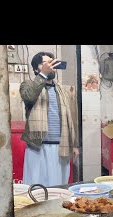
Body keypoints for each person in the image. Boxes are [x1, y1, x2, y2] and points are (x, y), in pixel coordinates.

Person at [20, 51, 79, 186]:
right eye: (45, 63)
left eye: (51, 63)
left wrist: (74, 145)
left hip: (61, 148)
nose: (49, 66)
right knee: (36, 188)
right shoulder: (27, 85)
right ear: (36, 69)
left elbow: (69, 119)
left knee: (59, 188)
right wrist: (43, 74)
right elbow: (29, 97)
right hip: (38, 147)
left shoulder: (61, 90)